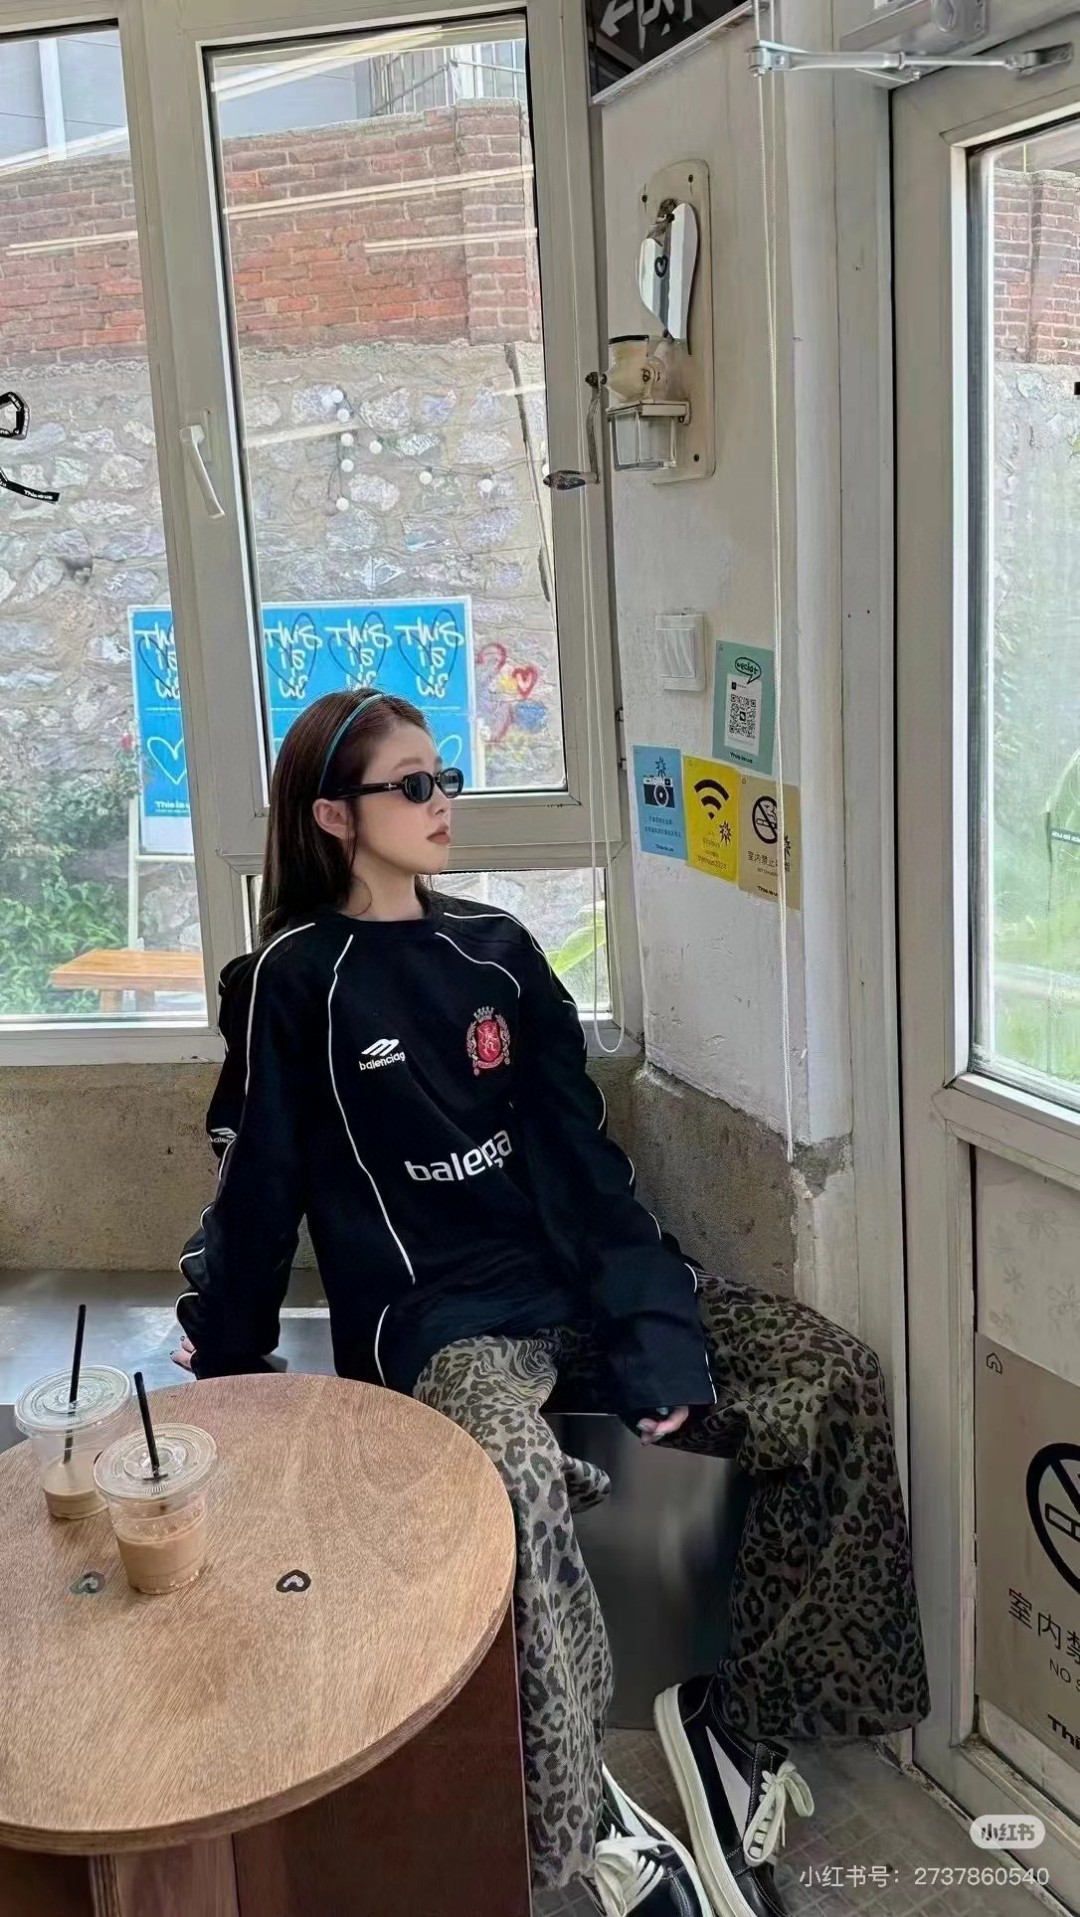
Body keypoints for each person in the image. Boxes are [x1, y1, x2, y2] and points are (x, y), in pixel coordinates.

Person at [174, 686, 929, 1917]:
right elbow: (258, 1190)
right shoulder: (292, 983)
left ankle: (736, 1729)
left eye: (445, 778)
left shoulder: (499, 951)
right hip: (442, 1322)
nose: (441, 803)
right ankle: (591, 1829)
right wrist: (226, 1361)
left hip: (573, 1280)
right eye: (412, 785)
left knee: (829, 1377)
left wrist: (656, 1337)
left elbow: (585, 1165)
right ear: (334, 816)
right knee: (513, 1482)